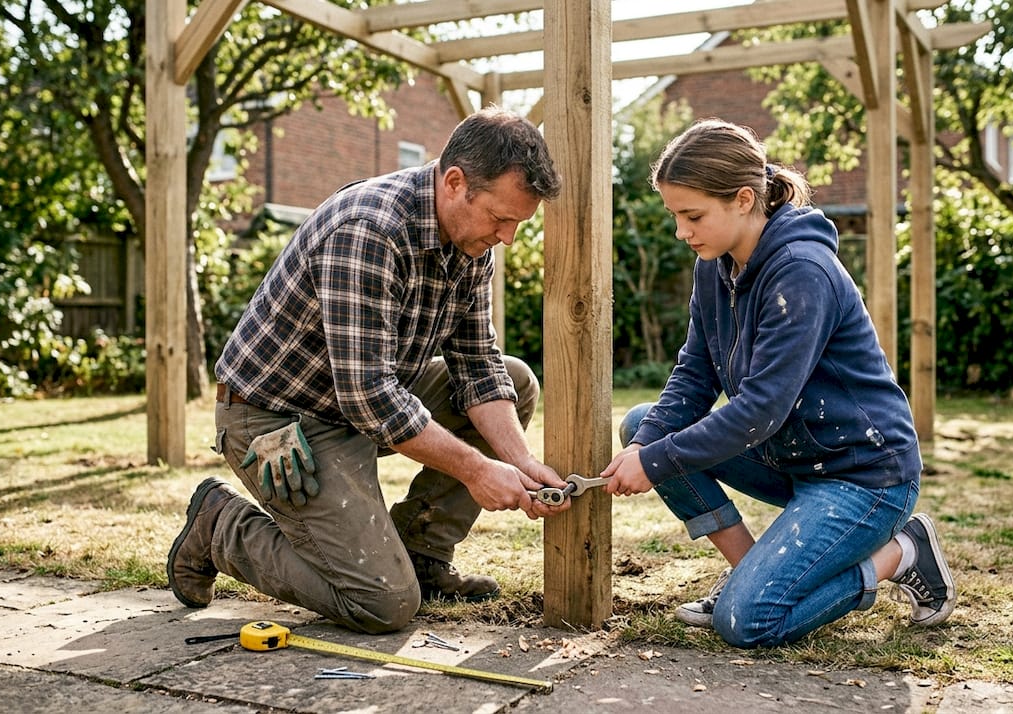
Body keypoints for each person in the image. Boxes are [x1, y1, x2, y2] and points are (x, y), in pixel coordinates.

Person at [167, 107, 571, 635]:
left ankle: (421, 554)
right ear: (455, 183)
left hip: (356, 407)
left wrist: (519, 463)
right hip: (277, 421)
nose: (508, 237)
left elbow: (478, 365)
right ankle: (220, 527)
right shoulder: (370, 229)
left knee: (513, 381)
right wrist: (477, 471)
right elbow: (369, 396)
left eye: (517, 223)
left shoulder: (471, 248)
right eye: (501, 219)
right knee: (382, 604)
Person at [601, 118, 956, 648]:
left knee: (748, 623)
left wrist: (653, 462)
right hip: (792, 458)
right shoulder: (714, 265)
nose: (682, 231)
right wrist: (647, 446)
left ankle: (902, 551)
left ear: (744, 199)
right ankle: (748, 573)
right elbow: (694, 375)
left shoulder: (802, 270)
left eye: (692, 215)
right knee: (642, 427)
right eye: (676, 215)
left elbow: (760, 409)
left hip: (863, 477)